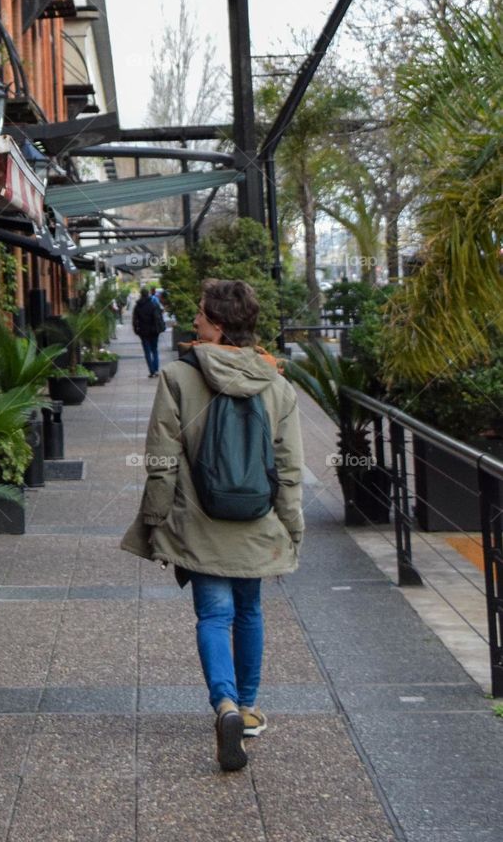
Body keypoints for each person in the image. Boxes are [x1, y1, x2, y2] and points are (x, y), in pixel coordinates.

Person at [121, 278, 304, 771]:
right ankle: (246, 708)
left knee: (213, 616)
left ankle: (222, 703)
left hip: (198, 521)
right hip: (258, 522)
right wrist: (292, 527)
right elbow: (288, 470)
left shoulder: (179, 377)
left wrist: (155, 520)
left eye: (201, 314)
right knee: (249, 611)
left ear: (219, 327)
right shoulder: (278, 385)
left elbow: (162, 458)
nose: (195, 319)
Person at [131, 286, 165, 378]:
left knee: (147, 352)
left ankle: (151, 371)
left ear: (141, 295)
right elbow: (160, 316)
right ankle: (156, 369)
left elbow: (134, 320)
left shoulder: (137, 306)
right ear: (148, 294)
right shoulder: (154, 304)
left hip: (143, 332)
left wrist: (136, 330)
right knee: (154, 350)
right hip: (154, 331)